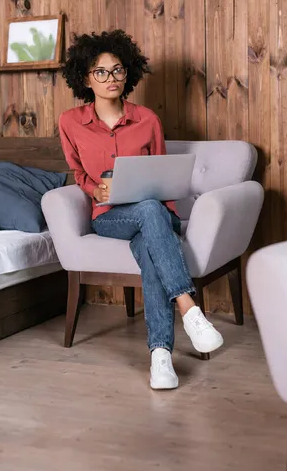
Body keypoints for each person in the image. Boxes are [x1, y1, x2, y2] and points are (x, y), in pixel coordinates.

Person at [59, 30, 223, 390]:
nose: (111, 78)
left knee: (151, 234)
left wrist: (164, 210)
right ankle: (189, 308)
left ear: (128, 73)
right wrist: (93, 187)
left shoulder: (147, 119)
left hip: (153, 214)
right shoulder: (70, 122)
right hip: (109, 216)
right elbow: (78, 172)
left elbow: (162, 174)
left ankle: (160, 358)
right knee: (148, 213)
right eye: (100, 72)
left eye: (117, 70)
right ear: (86, 77)